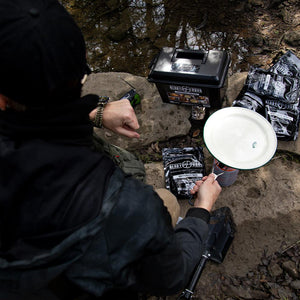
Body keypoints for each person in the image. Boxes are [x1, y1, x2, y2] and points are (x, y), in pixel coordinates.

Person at [0, 0, 222, 299]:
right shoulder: (128, 207)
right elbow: (170, 278)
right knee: (168, 201)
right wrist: (201, 211)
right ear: (81, 78)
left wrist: (95, 114)